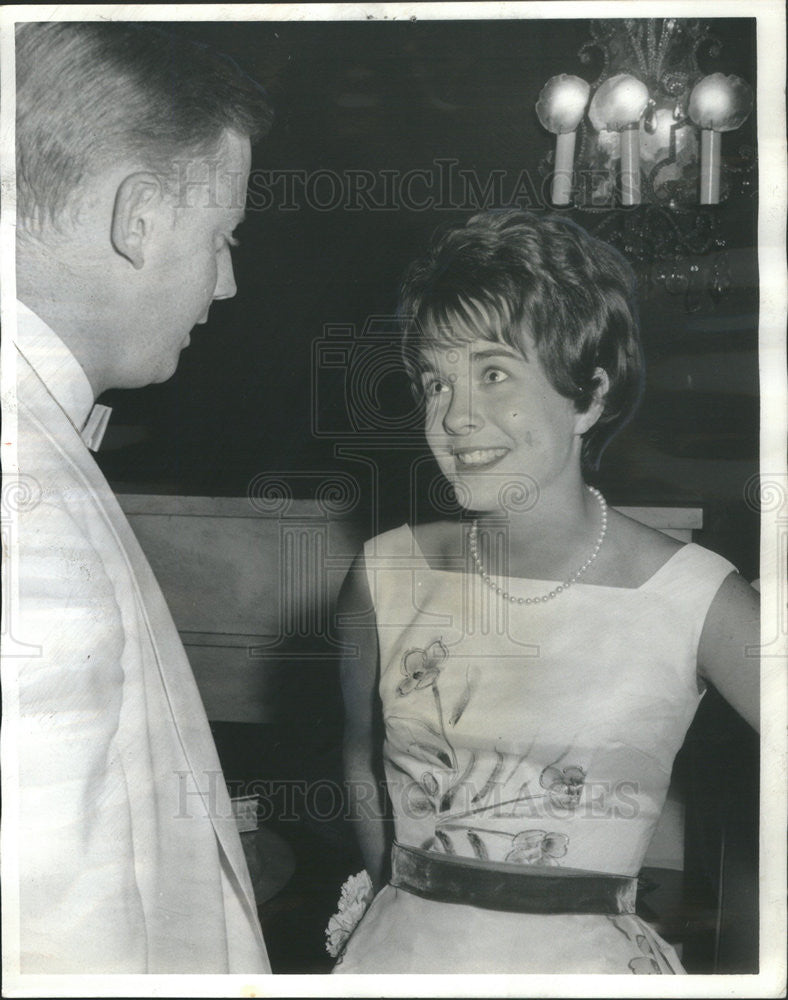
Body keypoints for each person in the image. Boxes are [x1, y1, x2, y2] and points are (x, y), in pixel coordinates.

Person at [334, 210, 760, 974]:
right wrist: (392, 906)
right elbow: (360, 763)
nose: (456, 416)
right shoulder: (380, 574)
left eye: (494, 373)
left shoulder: (696, 598)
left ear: (588, 395)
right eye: (437, 381)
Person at [6, 22, 273, 974]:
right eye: (223, 235)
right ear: (141, 218)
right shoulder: (27, 516)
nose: (227, 282)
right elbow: (58, 935)